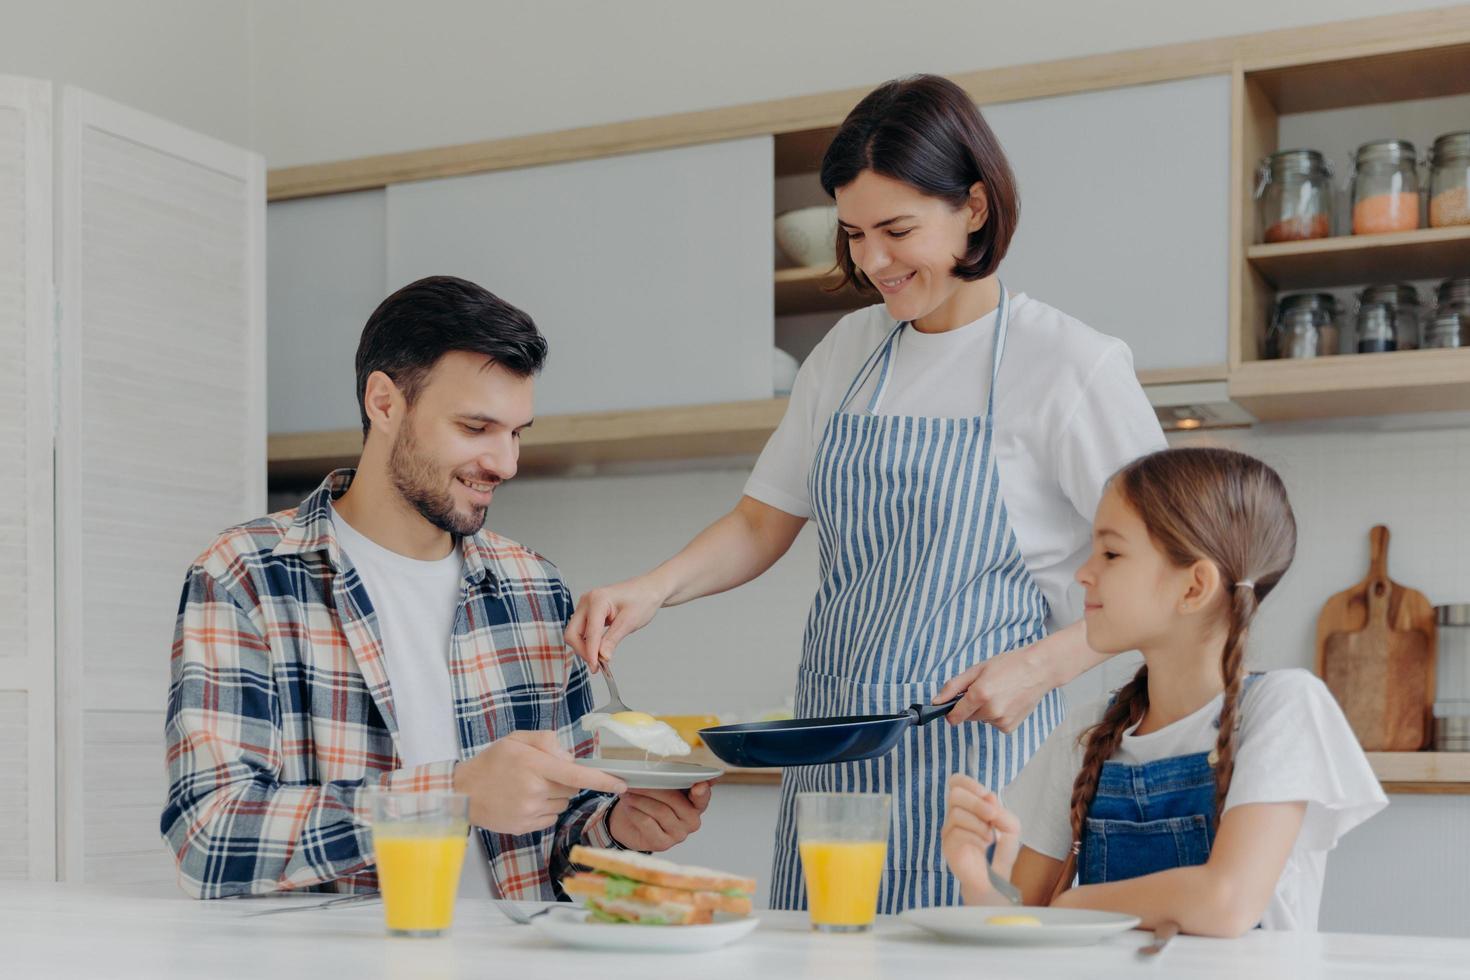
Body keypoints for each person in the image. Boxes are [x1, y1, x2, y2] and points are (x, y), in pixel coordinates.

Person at [566, 75, 1166, 910]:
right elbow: (760, 520)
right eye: (853, 234)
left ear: (977, 209)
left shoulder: (1069, 364)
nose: (873, 262)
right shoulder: (849, 353)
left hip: (986, 762)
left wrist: (1041, 665)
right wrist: (651, 590)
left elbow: (1176, 567)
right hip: (835, 762)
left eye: (897, 230)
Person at [162, 276, 709, 900]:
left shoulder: (534, 587)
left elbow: (560, 841)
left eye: (516, 432)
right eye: (476, 428)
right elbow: (207, 838)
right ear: (385, 404)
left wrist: (618, 829)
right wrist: (451, 796)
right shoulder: (246, 574)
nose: (504, 463)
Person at [942, 447, 1386, 933]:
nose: (1084, 573)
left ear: (1194, 588)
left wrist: (1071, 906)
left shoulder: (1283, 707)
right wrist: (978, 881)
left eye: (1111, 553)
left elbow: (1226, 901)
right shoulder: (1088, 732)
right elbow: (1024, 925)